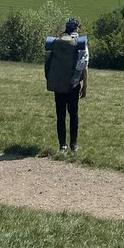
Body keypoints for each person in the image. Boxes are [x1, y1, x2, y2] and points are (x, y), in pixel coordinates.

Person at [44, 17, 88, 155]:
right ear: (77, 28)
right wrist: (85, 85)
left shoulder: (58, 41)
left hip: (58, 83)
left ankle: (62, 145)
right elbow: (84, 65)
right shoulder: (80, 43)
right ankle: (73, 145)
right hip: (73, 84)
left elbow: (48, 63)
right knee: (73, 114)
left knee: (60, 115)